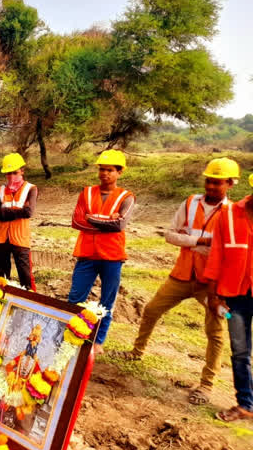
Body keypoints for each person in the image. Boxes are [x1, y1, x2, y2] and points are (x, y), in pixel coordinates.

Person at [111, 158, 238, 405]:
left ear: (230, 184)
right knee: (151, 310)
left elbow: (227, 250)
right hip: (181, 275)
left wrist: (190, 239)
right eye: (209, 181)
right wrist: (201, 242)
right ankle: (136, 353)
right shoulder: (190, 203)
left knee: (217, 329)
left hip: (212, 283)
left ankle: (207, 385)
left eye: (217, 183)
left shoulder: (233, 214)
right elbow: (170, 236)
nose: (211, 186)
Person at [67, 149, 135, 356]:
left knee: (107, 301)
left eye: (110, 170)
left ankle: (98, 341)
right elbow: (76, 221)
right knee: (75, 297)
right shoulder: (86, 192)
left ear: (119, 172)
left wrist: (92, 218)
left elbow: (119, 225)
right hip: (87, 254)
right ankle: (70, 335)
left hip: (112, 257)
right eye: (102, 169)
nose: (105, 174)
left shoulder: (127, 197)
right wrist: (106, 220)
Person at [204, 174, 253, 422]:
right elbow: (216, 257)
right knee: (241, 350)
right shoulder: (230, 215)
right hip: (237, 296)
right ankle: (246, 404)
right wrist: (213, 296)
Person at [0, 153, 37, 290]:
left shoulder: (31, 189)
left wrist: (4, 213)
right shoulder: (0, 190)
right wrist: (18, 210)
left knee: (25, 276)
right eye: (8, 173)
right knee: (1, 278)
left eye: (15, 173)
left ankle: (28, 305)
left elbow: (28, 212)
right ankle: (0, 306)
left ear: (22, 171)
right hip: (1, 239)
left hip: (20, 239)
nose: (11, 176)